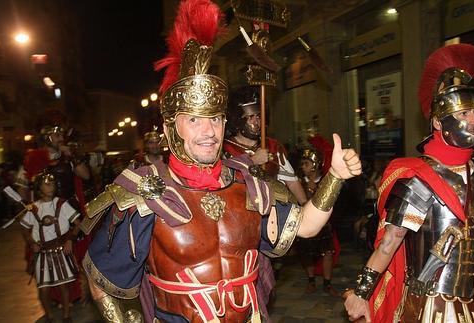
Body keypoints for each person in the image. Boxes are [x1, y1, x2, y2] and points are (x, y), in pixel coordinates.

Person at [81, 1, 361, 322]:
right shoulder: (145, 194)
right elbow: (101, 277)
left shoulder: (249, 184)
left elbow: (308, 227)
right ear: (173, 128)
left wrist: (335, 176)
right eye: (194, 120)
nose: (208, 131)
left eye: (214, 119)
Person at [344, 43, 474, 323]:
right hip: (432, 300)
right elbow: (391, 241)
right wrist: (362, 292)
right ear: (438, 122)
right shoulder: (420, 178)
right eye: (463, 114)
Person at [223, 87, 309, 318]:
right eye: (250, 117)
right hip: (235, 226)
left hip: (265, 226)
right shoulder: (224, 149)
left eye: (259, 116)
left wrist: (306, 208)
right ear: (236, 120)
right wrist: (251, 161)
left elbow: (291, 181)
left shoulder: (272, 147)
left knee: (263, 283)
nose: (256, 121)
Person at [20, 171, 81, 322]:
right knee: (44, 288)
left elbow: (78, 224)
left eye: (52, 184)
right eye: (47, 184)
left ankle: (66, 315)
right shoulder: (33, 208)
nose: (51, 186)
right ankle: (49, 316)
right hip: (42, 253)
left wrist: (70, 240)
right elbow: (24, 228)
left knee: (63, 286)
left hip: (60, 250)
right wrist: (31, 243)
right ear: (39, 188)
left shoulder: (62, 204)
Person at [297, 147, 339, 296]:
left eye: (306, 163)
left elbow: (332, 200)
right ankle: (311, 281)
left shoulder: (325, 180)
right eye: (302, 163)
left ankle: (327, 284)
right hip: (304, 223)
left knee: (327, 253)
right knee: (307, 254)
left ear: (314, 164)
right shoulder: (298, 182)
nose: (303, 166)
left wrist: (317, 191)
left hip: (324, 225)